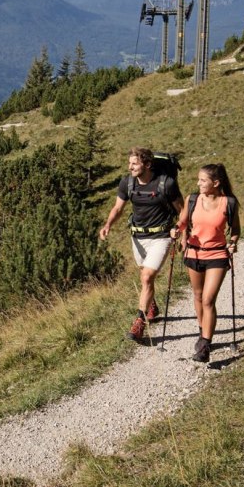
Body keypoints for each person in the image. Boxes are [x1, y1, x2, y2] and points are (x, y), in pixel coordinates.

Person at [99, 147, 183, 343]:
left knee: (147, 277)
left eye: (134, 164)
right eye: (129, 163)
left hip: (161, 236)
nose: (130, 167)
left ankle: (139, 323)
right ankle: (151, 306)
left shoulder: (166, 184)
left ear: (147, 164)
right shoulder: (127, 183)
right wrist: (108, 225)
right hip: (138, 238)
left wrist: (183, 232)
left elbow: (182, 210)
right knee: (143, 274)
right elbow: (118, 208)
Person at [171, 163, 241, 363]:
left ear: (216, 183)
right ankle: (203, 330)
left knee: (208, 299)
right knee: (198, 295)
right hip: (194, 253)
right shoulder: (192, 199)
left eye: (203, 180)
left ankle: (204, 344)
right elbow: (182, 222)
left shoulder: (229, 202)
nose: (198, 183)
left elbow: (235, 230)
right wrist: (175, 230)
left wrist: (233, 243)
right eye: (199, 179)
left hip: (217, 255)